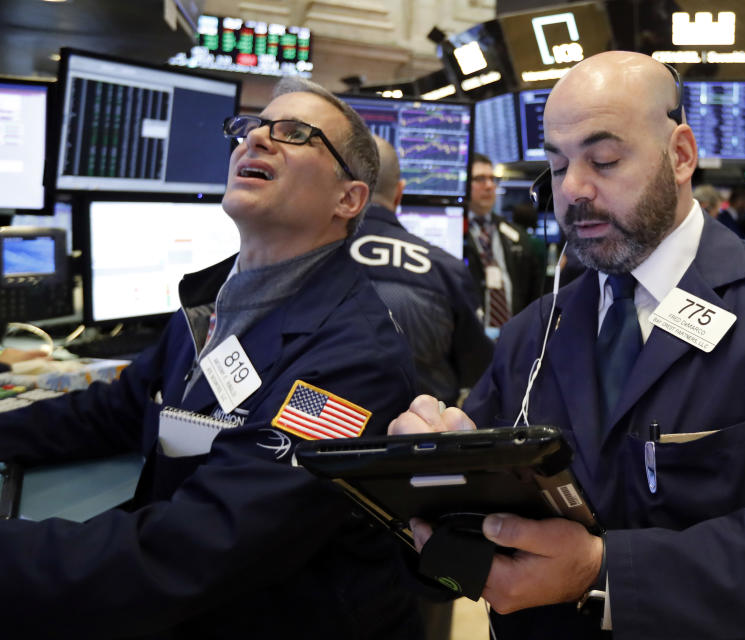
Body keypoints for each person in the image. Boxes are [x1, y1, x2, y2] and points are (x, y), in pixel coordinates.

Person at [390, 51, 745, 639]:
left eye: (605, 159)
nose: (573, 189)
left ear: (681, 154)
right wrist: (427, 482)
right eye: (557, 163)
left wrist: (603, 574)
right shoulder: (533, 334)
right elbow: (456, 557)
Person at [0, 77, 426, 638]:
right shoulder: (215, 300)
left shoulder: (352, 361)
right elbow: (120, 408)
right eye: (248, 129)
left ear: (348, 199)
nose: (255, 141)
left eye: (294, 134)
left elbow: (203, 546)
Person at [350, 136, 493, 409]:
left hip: (326, 438)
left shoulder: (312, 258)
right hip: (419, 442)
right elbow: (477, 368)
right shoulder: (446, 269)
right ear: (399, 192)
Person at [465, 153, 544, 332]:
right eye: (480, 179)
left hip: (513, 338)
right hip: (470, 340)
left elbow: (534, 293)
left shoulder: (517, 236)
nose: (489, 186)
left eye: (493, 179)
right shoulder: (452, 234)